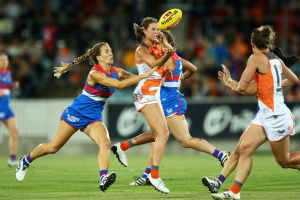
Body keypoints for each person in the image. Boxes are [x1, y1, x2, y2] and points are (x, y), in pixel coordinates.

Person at [15, 42, 158, 191]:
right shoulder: (94, 73)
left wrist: (155, 77)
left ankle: (103, 178)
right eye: (106, 51)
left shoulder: (117, 71)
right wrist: (145, 75)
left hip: (93, 117)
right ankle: (26, 160)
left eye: (110, 50)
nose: (111, 53)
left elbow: (137, 79)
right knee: (53, 148)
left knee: (105, 143)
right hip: (76, 113)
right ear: (98, 57)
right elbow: (120, 85)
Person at [111, 30, 230, 187]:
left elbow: (161, 69)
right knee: (157, 136)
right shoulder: (175, 58)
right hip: (168, 98)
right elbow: (193, 68)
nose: (156, 45)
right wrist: (180, 78)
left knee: (185, 140)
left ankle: (221, 155)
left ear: (166, 44)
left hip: (169, 100)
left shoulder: (167, 58)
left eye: (159, 42)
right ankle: (143, 169)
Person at [201, 25, 299, 200]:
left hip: (276, 116)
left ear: (253, 43)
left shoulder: (255, 58)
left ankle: (227, 187)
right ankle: (233, 191)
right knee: (244, 149)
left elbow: (242, 88)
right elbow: (294, 80)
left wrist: (229, 82)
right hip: (266, 113)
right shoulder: (276, 59)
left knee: (284, 160)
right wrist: (277, 84)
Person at [111, 17, 174, 194]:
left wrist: (166, 45)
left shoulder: (160, 45)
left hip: (154, 93)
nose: (157, 32)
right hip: (145, 92)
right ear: (144, 31)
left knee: (157, 135)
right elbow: (154, 64)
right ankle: (154, 175)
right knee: (163, 133)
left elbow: (169, 66)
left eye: (158, 29)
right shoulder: (141, 49)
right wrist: (167, 51)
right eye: (153, 29)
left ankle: (122, 146)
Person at [0, 52, 20, 167]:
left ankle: (12, 159)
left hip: (6, 107)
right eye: (2, 60)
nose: (4, 62)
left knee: (15, 133)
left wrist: (13, 86)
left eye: (6, 60)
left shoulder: (7, 73)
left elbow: (5, 88)